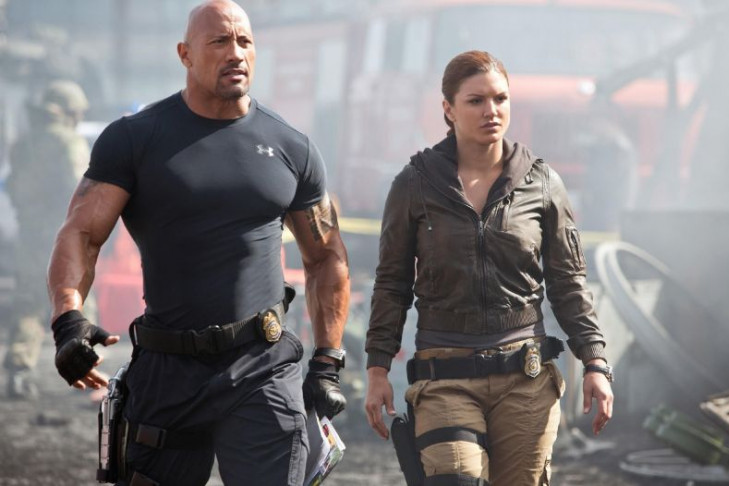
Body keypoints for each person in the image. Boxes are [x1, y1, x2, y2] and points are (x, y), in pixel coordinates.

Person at [46, 1, 350, 485]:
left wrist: (328, 360)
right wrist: (68, 319)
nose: (236, 53)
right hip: (167, 370)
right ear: (185, 54)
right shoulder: (135, 138)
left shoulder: (292, 147)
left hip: (262, 367)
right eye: (220, 41)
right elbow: (81, 234)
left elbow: (326, 256)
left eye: (245, 42)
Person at [364, 50, 614, 486]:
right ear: (448, 109)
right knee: (456, 479)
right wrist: (377, 369)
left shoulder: (542, 182)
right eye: (476, 100)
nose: (491, 110)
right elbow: (391, 284)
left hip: (525, 377)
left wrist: (595, 361)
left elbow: (569, 282)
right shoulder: (415, 183)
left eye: (500, 98)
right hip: (444, 376)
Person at [4, 79, 90, 399]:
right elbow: (81, 188)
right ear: (68, 111)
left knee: (28, 302)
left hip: (30, 235)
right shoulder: (69, 142)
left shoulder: (24, 144)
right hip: (64, 235)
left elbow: (14, 187)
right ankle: (84, 370)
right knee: (79, 301)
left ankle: (18, 371)